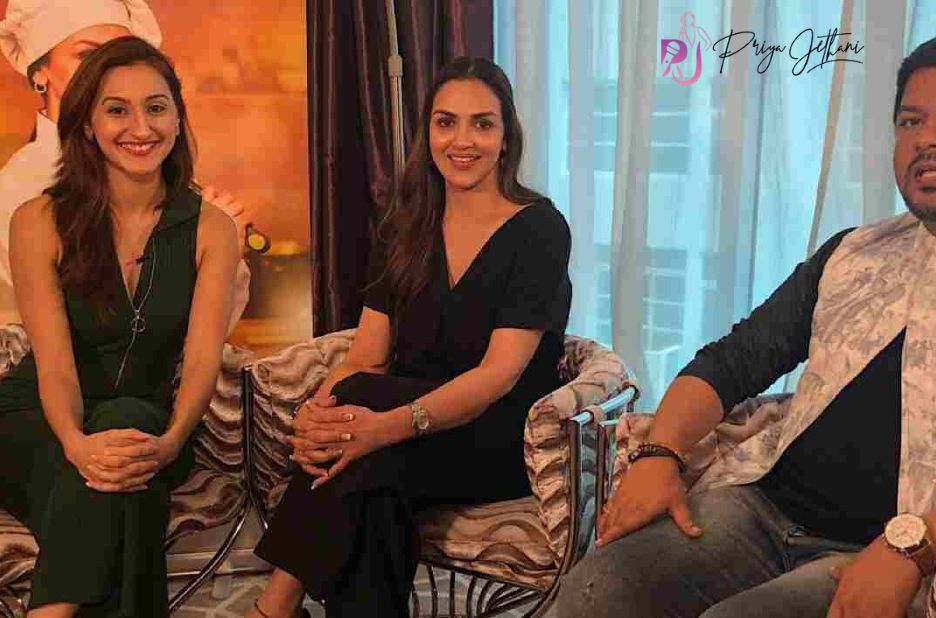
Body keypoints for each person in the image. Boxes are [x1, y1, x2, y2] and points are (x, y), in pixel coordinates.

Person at [558, 36, 936, 618]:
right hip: (764, 510)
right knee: (598, 588)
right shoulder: (853, 253)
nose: (926, 139)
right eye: (911, 121)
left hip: (888, 550)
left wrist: (913, 548)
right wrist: (659, 452)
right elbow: (737, 357)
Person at [248, 56, 572, 618]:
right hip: (404, 433)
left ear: (506, 137)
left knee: (365, 441)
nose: (462, 141)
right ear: (428, 134)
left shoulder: (540, 229)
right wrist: (315, 416)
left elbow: (498, 377)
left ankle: (274, 607)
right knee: (370, 484)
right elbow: (366, 356)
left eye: (482, 123)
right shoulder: (406, 225)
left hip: (496, 438)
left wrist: (381, 427)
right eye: (446, 123)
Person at [0, 35, 239, 617]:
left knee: (127, 438)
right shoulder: (37, 220)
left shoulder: (212, 228)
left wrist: (172, 443)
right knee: (121, 490)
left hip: (152, 427)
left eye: (156, 107)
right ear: (87, 125)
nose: (141, 127)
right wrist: (78, 445)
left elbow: (202, 361)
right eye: (117, 109)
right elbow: (55, 365)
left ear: (178, 119)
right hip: (38, 422)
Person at [0, 0, 251, 327]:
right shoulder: (19, 191)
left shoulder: (150, 165)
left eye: (119, 55)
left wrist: (218, 250)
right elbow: (103, 334)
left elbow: (208, 336)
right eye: (87, 55)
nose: (108, 71)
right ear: (40, 74)